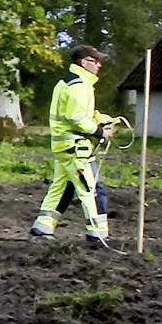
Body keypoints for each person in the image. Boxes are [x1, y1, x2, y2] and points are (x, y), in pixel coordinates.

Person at [33, 44, 115, 246]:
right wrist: (100, 131)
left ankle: (42, 227)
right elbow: (76, 118)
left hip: (66, 147)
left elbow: (78, 113)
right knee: (93, 189)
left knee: (62, 188)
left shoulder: (69, 83)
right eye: (94, 61)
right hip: (76, 148)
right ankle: (97, 235)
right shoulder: (79, 86)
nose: (99, 65)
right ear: (83, 62)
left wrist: (99, 118)